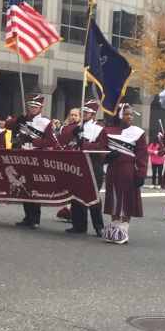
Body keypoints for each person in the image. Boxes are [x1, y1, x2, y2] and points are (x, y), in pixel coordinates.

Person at [86, 103, 149, 245]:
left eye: (131, 115)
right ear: (119, 115)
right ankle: (114, 227)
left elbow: (143, 155)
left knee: (127, 198)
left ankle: (124, 230)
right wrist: (107, 157)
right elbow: (101, 148)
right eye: (126, 114)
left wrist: (141, 174)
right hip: (113, 168)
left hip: (129, 169)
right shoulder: (108, 131)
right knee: (113, 197)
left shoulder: (138, 132)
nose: (129, 117)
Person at [4, 93, 55, 228]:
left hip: (37, 155)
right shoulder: (23, 118)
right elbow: (7, 126)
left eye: (36, 106)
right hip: (23, 154)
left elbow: (50, 141)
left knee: (34, 186)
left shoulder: (46, 122)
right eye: (31, 105)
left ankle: (35, 219)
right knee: (24, 185)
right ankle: (27, 217)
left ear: (40, 108)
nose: (33, 108)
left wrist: (33, 140)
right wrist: (17, 120)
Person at [63, 100, 106, 236]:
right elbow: (61, 140)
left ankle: (99, 227)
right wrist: (73, 133)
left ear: (93, 114)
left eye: (87, 112)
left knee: (93, 196)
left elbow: (102, 147)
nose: (85, 113)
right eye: (84, 111)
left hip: (93, 164)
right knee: (76, 195)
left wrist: (85, 144)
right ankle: (79, 225)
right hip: (77, 163)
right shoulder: (74, 126)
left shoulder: (99, 128)